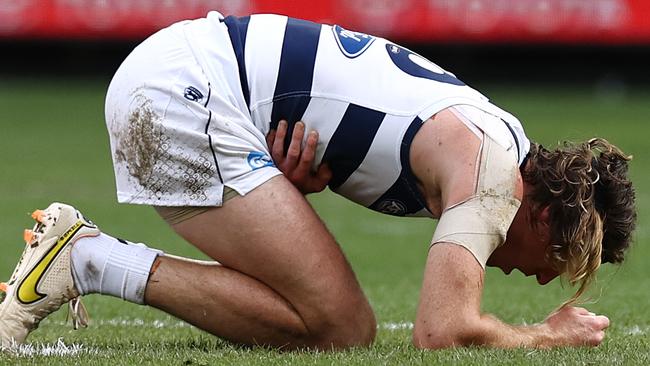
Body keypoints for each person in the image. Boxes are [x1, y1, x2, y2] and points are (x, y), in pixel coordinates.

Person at [0, 11, 635, 350]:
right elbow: (441, 331)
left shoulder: (495, 140)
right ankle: (86, 259)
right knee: (341, 328)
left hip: (184, 78)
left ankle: (86, 258)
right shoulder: (494, 171)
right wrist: (542, 336)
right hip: (182, 92)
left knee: (329, 319)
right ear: (549, 213)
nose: (546, 276)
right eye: (561, 257)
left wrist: (290, 185)